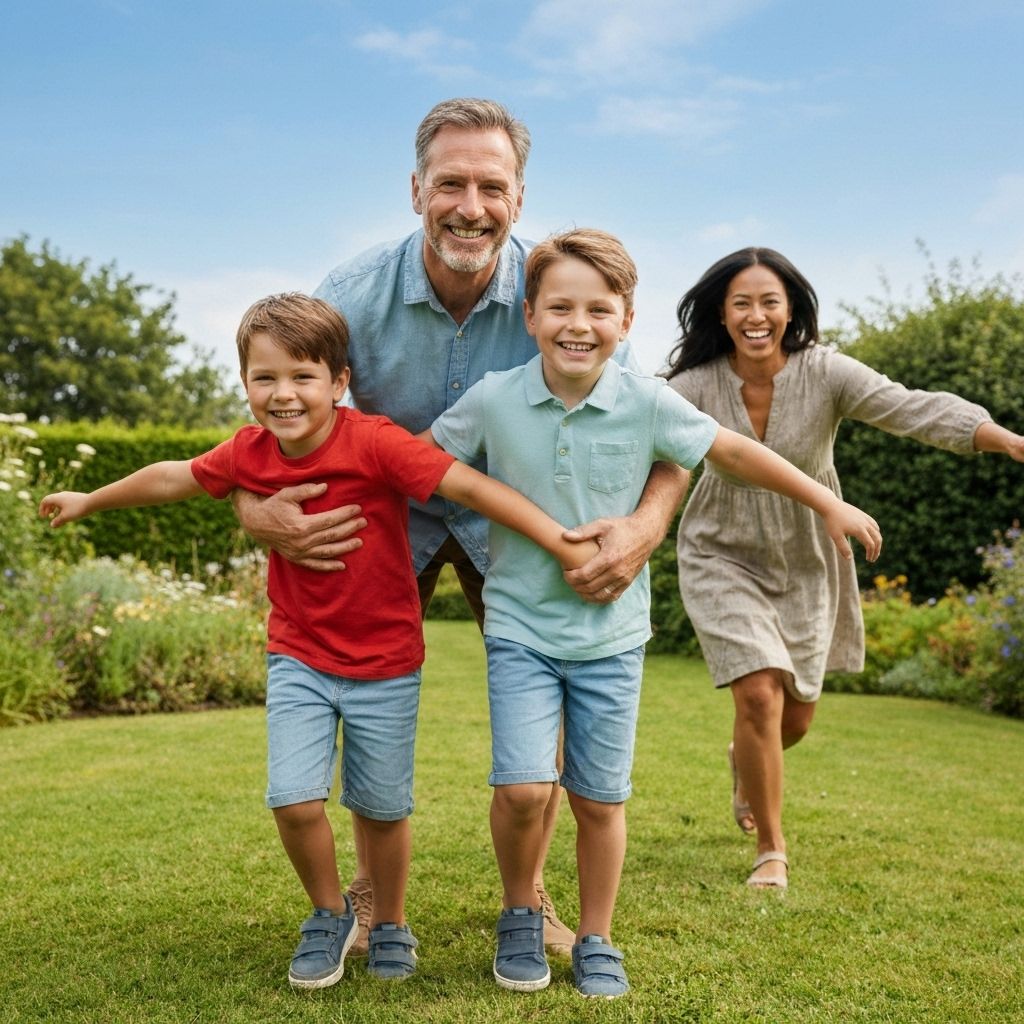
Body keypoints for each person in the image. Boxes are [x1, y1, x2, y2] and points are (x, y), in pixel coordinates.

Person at [230, 98, 691, 955]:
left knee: (544, 713)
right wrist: (253, 507)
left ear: (519, 197)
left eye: (491, 185)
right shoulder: (351, 294)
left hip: (520, 525)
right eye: (451, 183)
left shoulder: (563, 295)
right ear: (416, 190)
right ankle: (369, 898)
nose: (469, 205)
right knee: (356, 691)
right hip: (379, 520)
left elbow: (653, 426)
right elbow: (277, 415)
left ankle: (532, 894)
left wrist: (647, 523)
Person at [39, 293, 600, 991]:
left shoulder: (375, 442)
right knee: (293, 799)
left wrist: (561, 540)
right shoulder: (247, 453)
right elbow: (173, 477)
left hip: (387, 664)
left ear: (339, 382)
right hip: (298, 656)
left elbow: (473, 489)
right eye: (264, 378)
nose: (283, 394)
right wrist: (90, 499)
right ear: (245, 385)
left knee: (382, 808)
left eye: (303, 376)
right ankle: (330, 913)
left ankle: (391, 921)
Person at [427, 229, 881, 997]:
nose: (579, 324)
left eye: (599, 309)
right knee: (524, 788)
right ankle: (518, 912)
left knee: (601, 798)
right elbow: (417, 462)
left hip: (611, 639)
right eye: (561, 306)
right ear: (530, 314)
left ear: (626, 320)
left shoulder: (645, 401)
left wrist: (826, 501)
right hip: (520, 630)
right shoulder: (494, 400)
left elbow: (734, 454)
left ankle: (599, 935)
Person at [665, 247, 1024, 889]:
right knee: (757, 690)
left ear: (791, 309)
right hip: (721, 549)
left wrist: (999, 435)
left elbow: (909, 406)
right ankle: (771, 849)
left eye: (769, 301)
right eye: (741, 302)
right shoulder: (693, 385)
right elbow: (635, 434)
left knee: (793, 715)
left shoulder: (825, 372)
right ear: (721, 313)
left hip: (808, 556)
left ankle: (745, 762)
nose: (756, 315)